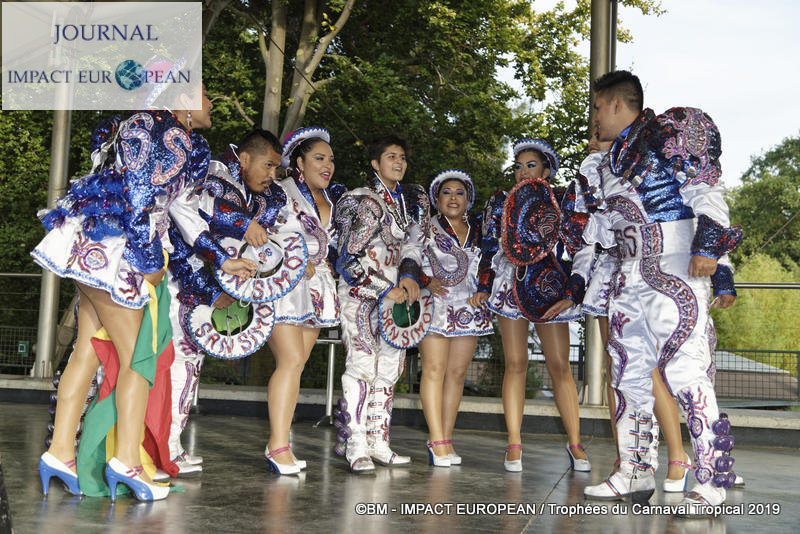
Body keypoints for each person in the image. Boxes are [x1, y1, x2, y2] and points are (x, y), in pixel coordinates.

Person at [31, 86, 255, 500]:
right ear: (184, 97)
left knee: (86, 350)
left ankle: (60, 452)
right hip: (122, 251)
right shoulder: (162, 130)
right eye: (205, 94)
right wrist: (150, 262)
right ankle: (126, 462)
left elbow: (182, 210)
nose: (212, 103)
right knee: (139, 360)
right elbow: (138, 199)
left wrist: (222, 261)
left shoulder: (164, 132)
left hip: (98, 245)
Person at [580, 71, 741, 516]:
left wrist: (711, 252)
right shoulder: (610, 160)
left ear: (614, 103)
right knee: (628, 375)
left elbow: (707, 190)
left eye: (596, 107)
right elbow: (602, 228)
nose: (593, 118)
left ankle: (711, 482)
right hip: (628, 274)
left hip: (674, 268)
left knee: (686, 373)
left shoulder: (667, 134)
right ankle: (634, 471)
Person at [161, 128, 286, 478]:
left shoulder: (256, 195)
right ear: (244, 158)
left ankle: (169, 446)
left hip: (203, 294)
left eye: (276, 168)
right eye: (268, 165)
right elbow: (183, 230)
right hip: (179, 286)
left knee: (187, 366)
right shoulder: (213, 176)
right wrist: (207, 288)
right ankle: (159, 449)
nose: (272, 175)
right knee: (175, 366)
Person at [475, 139, 589, 473]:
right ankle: (513, 443)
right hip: (512, 285)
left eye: (531, 165)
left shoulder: (562, 202)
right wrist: (484, 285)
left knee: (559, 366)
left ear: (547, 169)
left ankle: (576, 443)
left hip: (550, 287)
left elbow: (576, 248)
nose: (523, 172)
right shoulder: (500, 201)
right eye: (518, 166)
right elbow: (487, 247)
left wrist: (572, 290)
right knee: (515, 363)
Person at [333, 135, 429, 472]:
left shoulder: (410, 204)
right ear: (376, 163)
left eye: (402, 156)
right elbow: (346, 259)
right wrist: (383, 287)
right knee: (361, 363)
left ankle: (377, 439)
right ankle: (355, 442)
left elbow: (414, 249)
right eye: (391, 156)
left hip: (395, 299)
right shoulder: (364, 201)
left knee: (389, 368)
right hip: (361, 295)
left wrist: (409, 277)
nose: (399, 162)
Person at [264, 127, 347, 474]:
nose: (327, 165)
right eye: (318, 157)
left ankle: (279, 442)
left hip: (318, 292)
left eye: (330, 159)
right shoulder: (279, 193)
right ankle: (278, 445)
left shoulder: (336, 201)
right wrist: (293, 258)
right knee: (291, 360)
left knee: (296, 367)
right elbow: (262, 233)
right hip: (284, 284)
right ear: (299, 160)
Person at [418, 170, 493, 467]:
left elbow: (489, 264)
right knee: (434, 370)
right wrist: (425, 280)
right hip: (434, 306)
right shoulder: (425, 228)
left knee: (457, 374)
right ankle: (435, 439)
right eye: (446, 192)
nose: (453, 197)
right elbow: (407, 258)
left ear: (468, 199)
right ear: (437, 199)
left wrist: (484, 290)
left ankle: (446, 439)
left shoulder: (480, 231)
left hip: (468, 310)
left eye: (459, 192)